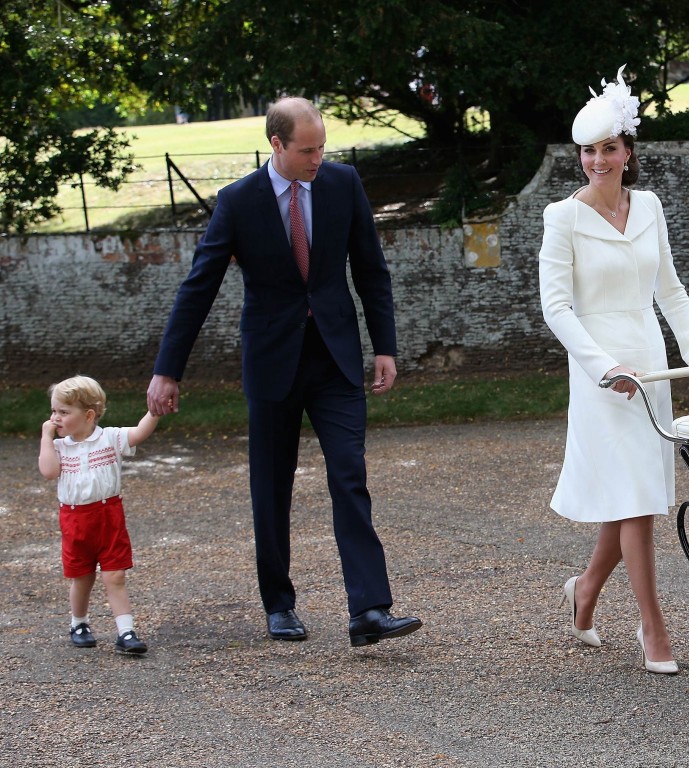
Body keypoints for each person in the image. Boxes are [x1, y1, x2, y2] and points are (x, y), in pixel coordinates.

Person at [146, 96, 421, 647]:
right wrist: (167, 370)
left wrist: (384, 346)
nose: (319, 157)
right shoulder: (237, 202)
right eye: (308, 149)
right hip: (272, 363)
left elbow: (372, 270)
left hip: (336, 357)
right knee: (270, 488)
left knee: (350, 475)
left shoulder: (343, 184)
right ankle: (278, 605)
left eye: (323, 146)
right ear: (277, 145)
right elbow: (198, 286)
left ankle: (368, 609)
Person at [538, 65, 689, 674]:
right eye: (587, 151)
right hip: (600, 373)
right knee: (639, 503)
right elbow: (556, 307)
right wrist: (601, 366)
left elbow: (669, 288)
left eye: (607, 149)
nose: (597, 161)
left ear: (627, 151)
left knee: (631, 497)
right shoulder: (561, 219)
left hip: (649, 367)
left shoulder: (649, 207)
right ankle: (653, 629)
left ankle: (585, 590)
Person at [38, 375, 159, 654]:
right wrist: (46, 436)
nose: (55, 418)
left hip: (108, 516)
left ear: (89, 415)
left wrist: (154, 410)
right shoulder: (57, 447)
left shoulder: (110, 438)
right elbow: (48, 472)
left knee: (114, 575)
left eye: (63, 412)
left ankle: (126, 632)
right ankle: (79, 623)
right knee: (82, 576)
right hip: (74, 520)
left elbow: (139, 432)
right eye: (53, 411)